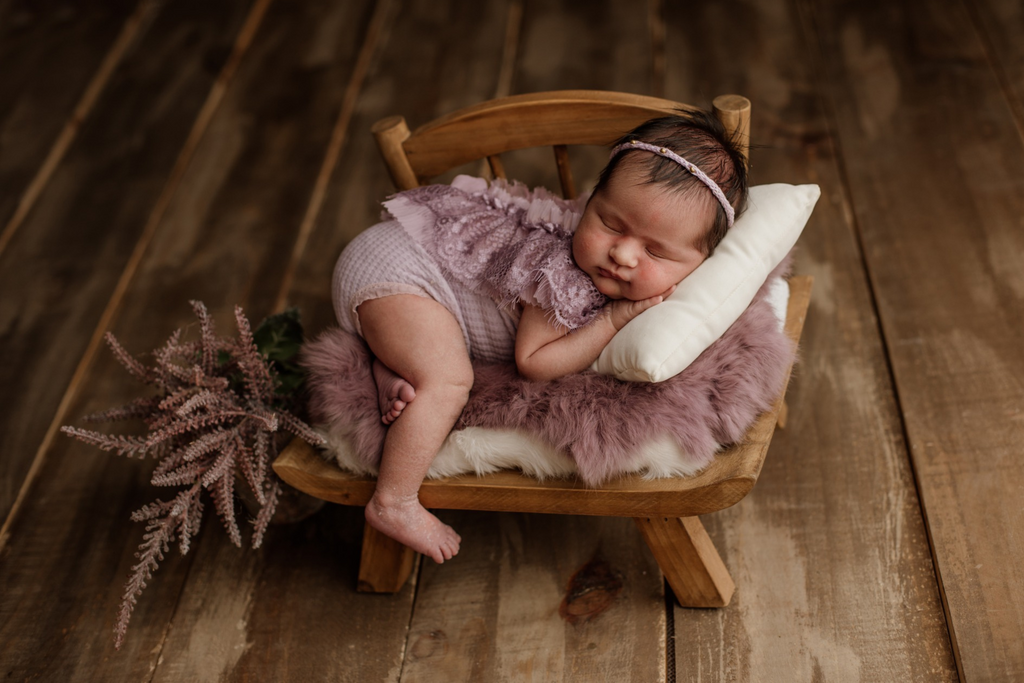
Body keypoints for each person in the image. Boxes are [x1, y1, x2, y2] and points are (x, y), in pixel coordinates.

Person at [331, 110, 749, 563]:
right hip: (398, 273)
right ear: (590, 202)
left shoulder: (643, 264)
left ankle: (389, 365)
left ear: (699, 263)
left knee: (428, 350)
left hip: (398, 286)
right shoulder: (563, 273)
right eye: (610, 224)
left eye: (655, 251)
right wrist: (611, 322)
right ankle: (393, 501)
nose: (622, 254)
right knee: (448, 380)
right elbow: (534, 362)